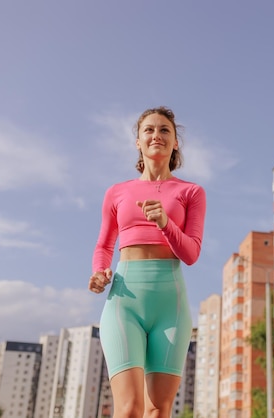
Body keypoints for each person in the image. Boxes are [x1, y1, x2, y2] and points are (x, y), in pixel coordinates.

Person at [88, 106, 206, 418]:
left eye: (165, 130)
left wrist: (166, 223)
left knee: (158, 409)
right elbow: (104, 245)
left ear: (175, 142)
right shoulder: (117, 192)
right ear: (138, 142)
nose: (157, 135)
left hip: (171, 304)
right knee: (128, 409)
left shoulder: (191, 192)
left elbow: (191, 254)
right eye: (149, 130)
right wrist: (99, 273)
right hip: (125, 300)